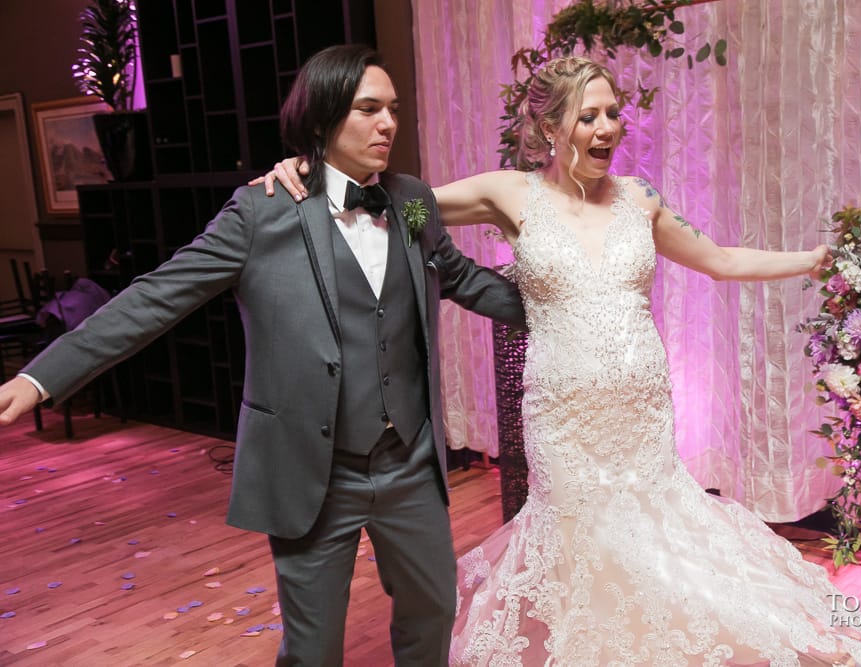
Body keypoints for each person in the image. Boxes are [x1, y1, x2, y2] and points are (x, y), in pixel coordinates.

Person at [261, 56, 861, 666]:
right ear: (549, 127)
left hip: (641, 409)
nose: (608, 128)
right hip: (563, 416)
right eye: (590, 116)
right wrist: (304, 173)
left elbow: (723, 260)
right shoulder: (508, 195)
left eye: (613, 114)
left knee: (658, 534)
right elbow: (397, 205)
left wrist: (810, 260)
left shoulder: (639, 199)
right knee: (581, 545)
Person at [0, 45, 525, 667]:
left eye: (392, 109)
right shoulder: (261, 211)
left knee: (433, 613)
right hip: (313, 468)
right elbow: (155, 298)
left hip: (408, 457)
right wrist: (41, 375)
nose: (388, 123)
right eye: (368, 109)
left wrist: (567, 299)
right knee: (312, 648)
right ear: (324, 118)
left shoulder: (411, 199)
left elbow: (459, 275)